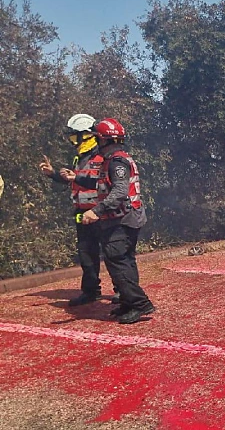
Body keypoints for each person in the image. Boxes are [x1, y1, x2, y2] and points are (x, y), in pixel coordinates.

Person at [38, 114, 118, 306]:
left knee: (112, 253)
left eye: (76, 136)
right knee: (86, 254)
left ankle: (121, 291)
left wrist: (76, 178)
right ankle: (91, 291)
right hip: (81, 213)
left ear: (88, 136)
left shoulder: (104, 157)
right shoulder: (78, 158)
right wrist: (54, 174)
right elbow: (72, 181)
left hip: (101, 212)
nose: (73, 141)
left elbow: (104, 183)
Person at [80, 118, 154, 324]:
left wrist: (96, 211)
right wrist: (73, 178)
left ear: (104, 140)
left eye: (97, 139)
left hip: (123, 219)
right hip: (127, 217)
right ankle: (128, 303)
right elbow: (99, 182)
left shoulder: (116, 161)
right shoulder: (114, 159)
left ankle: (140, 303)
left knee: (117, 260)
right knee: (125, 260)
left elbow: (120, 192)